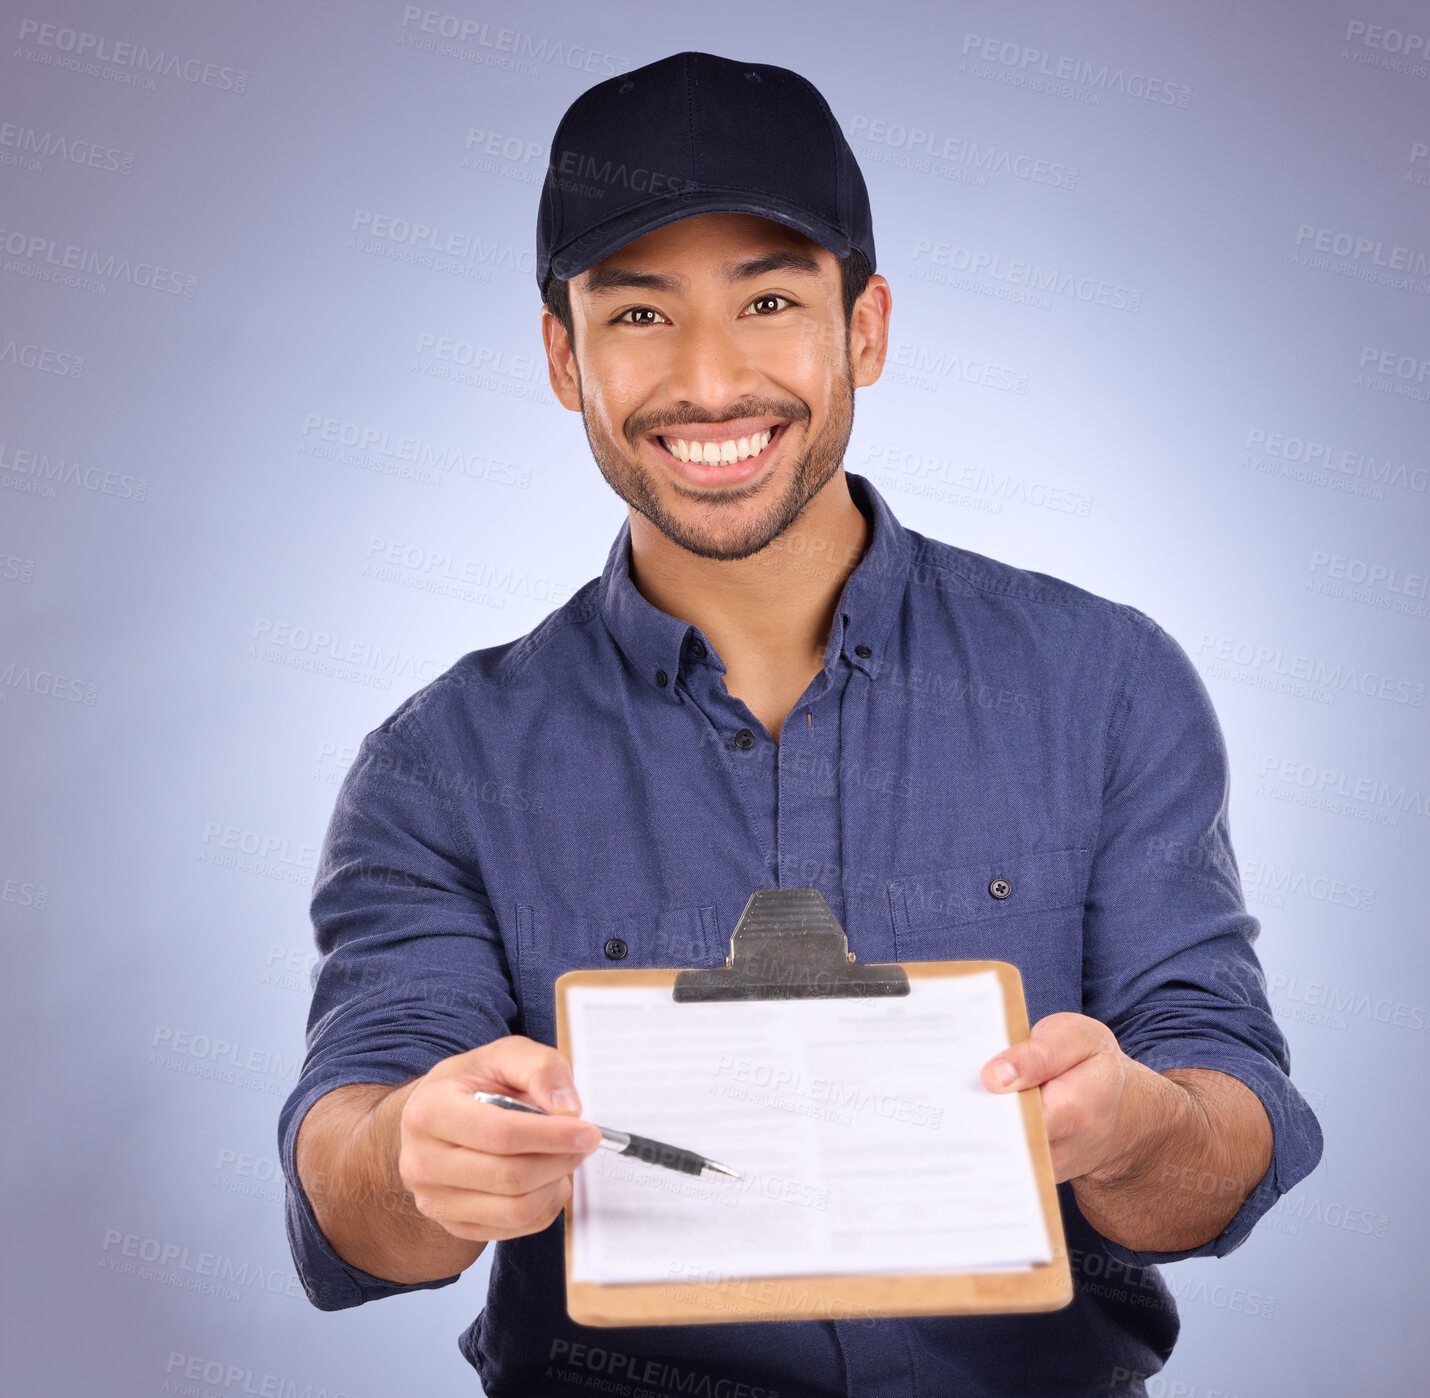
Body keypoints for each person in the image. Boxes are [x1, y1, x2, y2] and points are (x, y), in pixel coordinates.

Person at [279, 49, 1323, 1398]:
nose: (708, 382)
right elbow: (355, 1172)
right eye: (639, 314)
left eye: (768, 299)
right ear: (561, 353)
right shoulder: (438, 763)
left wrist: (1131, 1126)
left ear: (866, 327)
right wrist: (412, 1153)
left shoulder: (1104, 682)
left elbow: (1220, 1122)